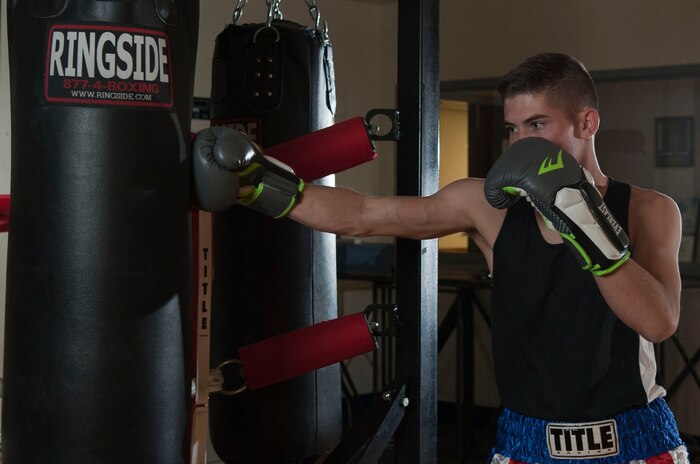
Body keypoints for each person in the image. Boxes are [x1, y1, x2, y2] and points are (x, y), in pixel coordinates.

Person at [194, 52, 689, 463]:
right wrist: (261, 182)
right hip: (529, 445)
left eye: (538, 124)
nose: (520, 143)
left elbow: (659, 321)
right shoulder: (487, 208)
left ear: (587, 122)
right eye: (513, 129)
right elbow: (366, 215)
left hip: (634, 441)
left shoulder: (649, 210)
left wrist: (583, 220)